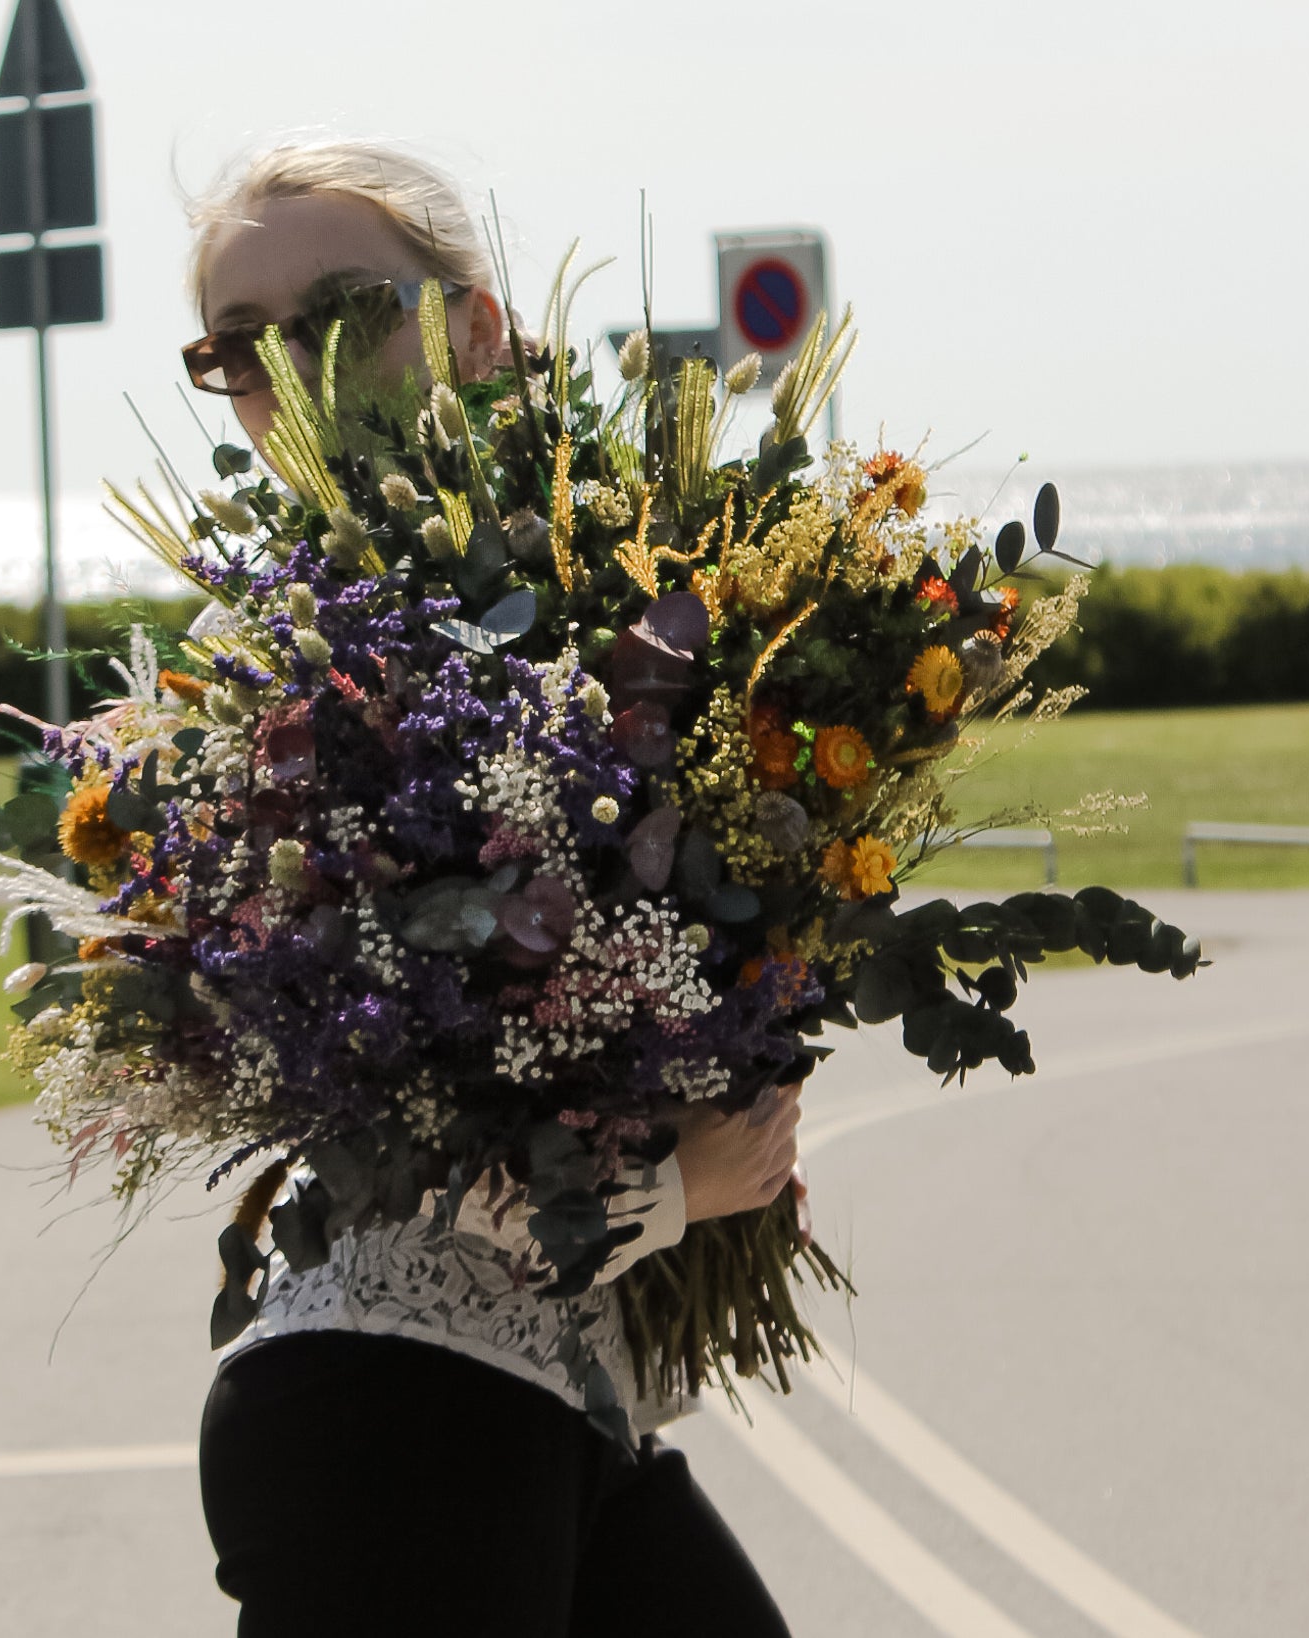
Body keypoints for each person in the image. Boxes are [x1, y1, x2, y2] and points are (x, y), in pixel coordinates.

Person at [185, 140, 810, 1637]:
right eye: (243, 346)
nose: (301, 369)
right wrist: (682, 1185)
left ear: (476, 330)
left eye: (343, 308)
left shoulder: (587, 591)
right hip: (385, 1418)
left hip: (546, 1399)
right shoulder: (285, 690)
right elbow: (390, 1120)